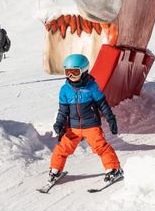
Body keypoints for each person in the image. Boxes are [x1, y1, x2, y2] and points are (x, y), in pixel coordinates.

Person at [49, 54, 122, 185]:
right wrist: (59, 123)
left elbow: (102, 104)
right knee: (62, 148)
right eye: (68, 72)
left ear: (83, 71)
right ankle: (55, 170)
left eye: (75, 72)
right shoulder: (65, 90)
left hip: (91, 126)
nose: (71, 76)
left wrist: (111, 118)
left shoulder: (91, 87)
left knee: (101, 147)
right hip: (73, 127)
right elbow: (63, 110)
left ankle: (113, 169)